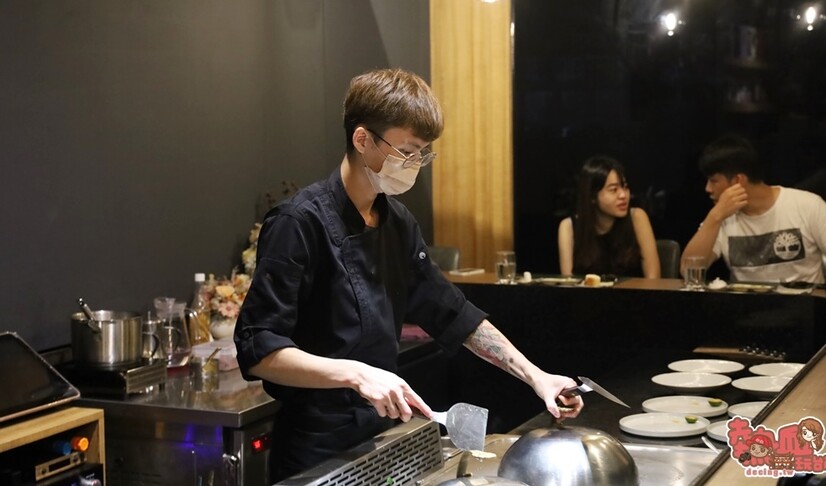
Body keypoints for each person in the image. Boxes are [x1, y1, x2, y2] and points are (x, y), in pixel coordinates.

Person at [234, 68, 584, 481]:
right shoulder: (298, 223)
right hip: (316, 448)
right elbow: (259, 350)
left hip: (380, 437)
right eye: (406, 151)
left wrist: (536, 377)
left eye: (422, 153)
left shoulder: (397, 223)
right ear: (362, 140)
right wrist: (356, 374)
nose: (415, 164)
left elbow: (453, 313)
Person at [680, 134, 826, 283]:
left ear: (738, 181)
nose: (707, 189)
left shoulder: (807, 205)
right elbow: (688, 272)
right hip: (745, 307)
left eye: (713, 181)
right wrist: (715, 217)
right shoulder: (721, 216)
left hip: (803, 306)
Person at [557, 156, 660, 278]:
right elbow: (568, 282)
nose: (623, 195)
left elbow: (653, 280)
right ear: (592, 197)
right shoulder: (568, 227)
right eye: (613, 190)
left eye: (625, 187)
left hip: (634, 291)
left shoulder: (637, 217)